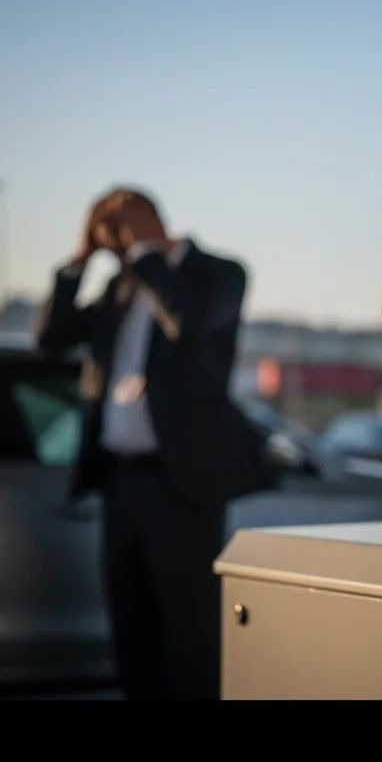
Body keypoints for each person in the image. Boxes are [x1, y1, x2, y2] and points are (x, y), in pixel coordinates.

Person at [35, 188, 270, 699]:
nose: (114, 246)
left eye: (116, 233)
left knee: (189, 634)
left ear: (144, 224)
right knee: (131, 629)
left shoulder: (218, 273)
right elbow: (51, 339)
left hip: (181, 483)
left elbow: (190, 324)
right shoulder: (120, 288)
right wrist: (80, 260)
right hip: (119, 480)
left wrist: (146, 252)